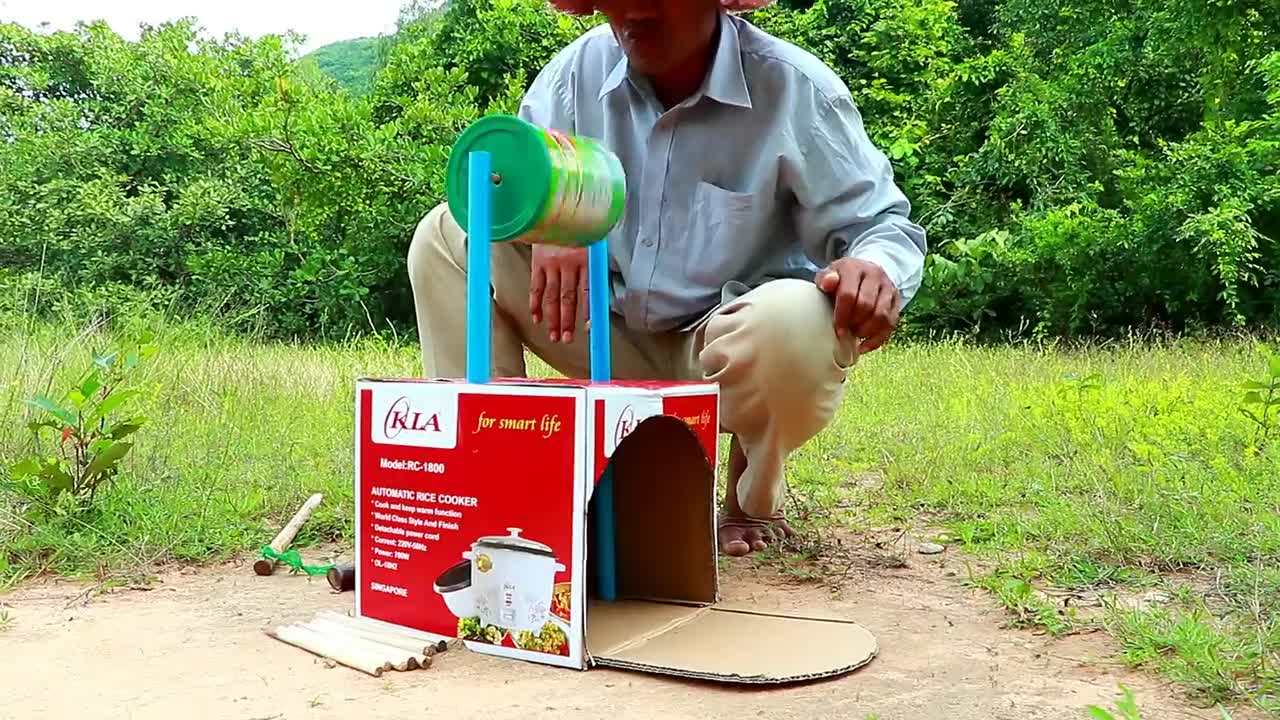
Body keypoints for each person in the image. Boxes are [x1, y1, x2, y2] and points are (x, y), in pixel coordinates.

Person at [407, 0, 927, 557]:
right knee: (445, 233)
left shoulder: (794, 90)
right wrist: (555, 220)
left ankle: (751, 500)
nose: (634, 10)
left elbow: (880, 225)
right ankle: (491, 479)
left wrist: (875, 269)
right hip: (596, 323)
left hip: (717, 350)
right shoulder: (573, 77)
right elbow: (509, 187)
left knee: (801, 319)